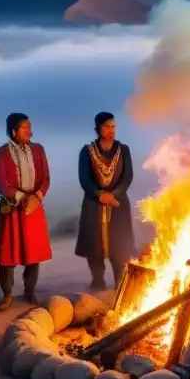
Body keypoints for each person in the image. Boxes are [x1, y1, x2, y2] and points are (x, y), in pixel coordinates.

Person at [0, 113, 52, 310]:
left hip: (34, 207)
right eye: (25, 128)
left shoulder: (38, 149)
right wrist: (22, 198)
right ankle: (7, 294)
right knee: (8, 255)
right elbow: (1, 182)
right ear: (13, 130)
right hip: (12, 208)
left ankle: (29, 291)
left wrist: (37, 197)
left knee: (33, 253)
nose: (30, 132)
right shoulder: (0, 153)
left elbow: (46, 178)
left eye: (30, 127)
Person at [75, 112, 136, 289]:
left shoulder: (123, 150)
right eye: (107, 126)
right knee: (95, 244)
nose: (111, 130)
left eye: (114, 126)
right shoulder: (87, 151)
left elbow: (128, 176)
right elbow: (84, 178)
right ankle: (97, 278)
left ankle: (119, 279)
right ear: (98, 128)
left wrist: (114, 194)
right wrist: (99, 194)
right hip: (94, 204)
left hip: (118, 204)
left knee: (119, 243)